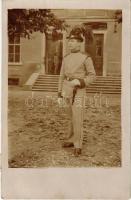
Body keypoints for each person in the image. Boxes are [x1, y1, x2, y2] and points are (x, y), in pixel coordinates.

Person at [57, 32, 96, 157]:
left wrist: (80, 81)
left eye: (73, 41)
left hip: (79, 90)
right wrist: (59, 93)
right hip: (66, 89)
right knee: (70, 117)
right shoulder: (66, 58)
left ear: (80, 43)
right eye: (69, 41)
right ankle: (70, 139)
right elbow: (61, 76)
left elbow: (92, 76)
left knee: (77, 117)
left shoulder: (86, 57)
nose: (70, 43)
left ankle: (78, 145)